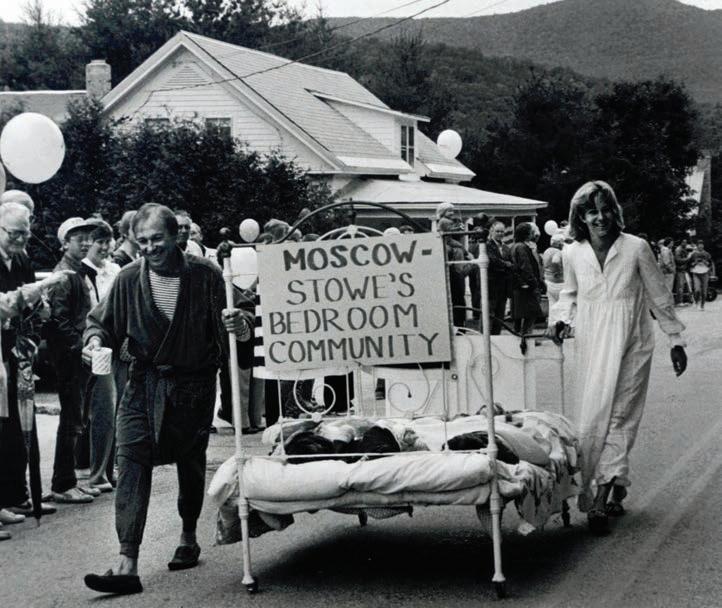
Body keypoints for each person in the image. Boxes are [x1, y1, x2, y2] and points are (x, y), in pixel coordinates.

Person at [82, 203, 252, 595]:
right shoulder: (128, 279)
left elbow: (242, 313)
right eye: (142, 241)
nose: (149, 247)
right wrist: (94, 342)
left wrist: (239, 324)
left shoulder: (206, 275)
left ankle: (188, 534)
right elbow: (100, 323)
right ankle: (127, 561)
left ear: (176, 236)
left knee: (189, 461)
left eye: (157, 239)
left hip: (192, 387)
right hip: (143, 385)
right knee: (130, 459)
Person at [549, 181, 687, 534]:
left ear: (615, 211)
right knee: (592, 419)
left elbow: (658, 294)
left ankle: (599, 500)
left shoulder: (636, 248)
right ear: (580, 217)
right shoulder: (573, 253)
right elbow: (569, 294)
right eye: (592, 212)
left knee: (619, 418)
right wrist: (560, 320)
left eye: (606, 209)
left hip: (632, 343)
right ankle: (617, 484)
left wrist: (675, 339)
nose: (600, 218)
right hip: (592, 343)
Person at [0, 269, 75, 540]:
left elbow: (36, 312)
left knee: (18, 434)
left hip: (14, 360)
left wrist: (37, 305)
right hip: (8, 357)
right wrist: (44, 285)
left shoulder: (18, 261)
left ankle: (14, 496)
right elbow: (8, 305)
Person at [45, 217, 101, 504]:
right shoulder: (64, 275)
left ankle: (70, 481)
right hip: (69, 357)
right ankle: (63, 483)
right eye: (80, 239)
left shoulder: (79, 271)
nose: (87, 243)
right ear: (65, 243)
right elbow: (58, 320)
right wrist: (80, 347)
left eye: (88, 238)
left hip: (80, 355)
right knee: (71, 419)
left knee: (78, 418)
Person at [82, 219, 121, 492]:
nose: (105, 247)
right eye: (100, 242)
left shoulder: (115, 270)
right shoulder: (82, 272)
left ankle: (108, 469)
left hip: (113, 345)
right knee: (102, 411)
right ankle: (97, 473)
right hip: (92, 345)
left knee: (114, 409)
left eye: (108, 241)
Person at [510, 222, 544, 336]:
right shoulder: (522, 247)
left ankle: (519, 336)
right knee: (530, 315)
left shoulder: (514, 246)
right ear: (527, 233)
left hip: (519, 286)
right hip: (527, 287)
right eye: (531, 232)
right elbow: (526, 267)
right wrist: (534, 283)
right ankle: (526, 337)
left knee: (519, 318)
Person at [487, 221, 514, 335]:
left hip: (503, 287)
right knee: (489, 315)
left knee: (500, 316)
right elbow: (492, 261)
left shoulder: (506, 248)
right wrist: (506, 265)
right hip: (491, 286)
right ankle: (484, 338)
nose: (500, 234)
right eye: (497, 231)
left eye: (502, 231)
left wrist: (506, 265)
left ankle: (496, 338)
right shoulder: (487, 246)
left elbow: (512, 263)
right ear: (492, 231)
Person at [542, 232, 565, 311]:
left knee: (552, 305)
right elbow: (555, 261)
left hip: (548, 281)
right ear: (559, 243)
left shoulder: (547, 251)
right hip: (558, 282)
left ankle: (552, 319)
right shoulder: (558, 252)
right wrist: (559, 271)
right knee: (561, 306)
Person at [688, 240, 713, 310]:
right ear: (697, 246)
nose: (700, 246)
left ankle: (702, 305)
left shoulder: (707, 254)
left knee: (704, 291)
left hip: (705, 273)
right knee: (697, 290)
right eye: (699, 245)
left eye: (702, 245)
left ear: (703, 246)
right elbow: (690, 264)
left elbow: (710, 264)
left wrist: (705, 262)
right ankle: (696, 302)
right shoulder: (694, 254)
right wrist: (695, 263)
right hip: (696, 273)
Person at [674, 239, 692, 304]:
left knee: (687, 284)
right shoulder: (678, 250)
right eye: (684, 242)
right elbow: (678, 260)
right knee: (680, 285)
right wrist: (688, 258)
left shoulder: (683, 249)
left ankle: (687, 299)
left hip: (684, 269)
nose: (686, 244)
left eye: (686, 242)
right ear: (681, 242)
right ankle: (679, 301)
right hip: (680, 269)